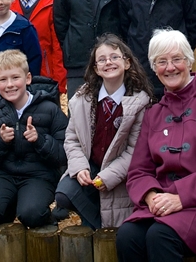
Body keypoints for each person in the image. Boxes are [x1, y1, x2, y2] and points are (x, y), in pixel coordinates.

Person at [116, 29, 196, 262]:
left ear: (189, 61)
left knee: (161, 236)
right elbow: (138, 171)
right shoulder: (154, 113)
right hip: (164, 202)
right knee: (128, 236)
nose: (170, 67)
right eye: (161, 62)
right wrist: (151, 197)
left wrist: (180, 198)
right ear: (154, 68)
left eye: (177, 59)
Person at [55, 34, 154, 228]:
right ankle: (96, 223)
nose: (108, 62)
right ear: (96, 68)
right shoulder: (82, 100)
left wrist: (107, 176)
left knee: (115, 216)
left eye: (114, 57)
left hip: (121, 174)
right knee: (63, 194)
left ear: (127, 63)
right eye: (102, 59)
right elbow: (72, 139)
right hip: (91, 166)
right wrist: (80, 167)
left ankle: (98, 227)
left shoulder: (140, 103)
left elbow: (135, 151)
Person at [0, 50, 68, 228]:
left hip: (39, 175)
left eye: (15, 78)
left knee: (31, 214)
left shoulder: (50, 109)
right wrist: (0, 143)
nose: (9, 85)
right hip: (4, 175)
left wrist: (40, 140)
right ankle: (7, 207)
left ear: (28, 78)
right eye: (3, 80)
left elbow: (64, 154)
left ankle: (44, 216)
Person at [10, 0, 67, 94]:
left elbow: (57, 46)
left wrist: (59, 81)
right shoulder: (9, 5)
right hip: (13, 77)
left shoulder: (52, 4)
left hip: (44, 76)